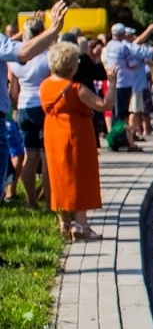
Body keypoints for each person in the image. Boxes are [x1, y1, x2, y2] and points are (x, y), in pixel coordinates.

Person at [41, 40, 111, 239]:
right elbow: (104, 105)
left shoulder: (45, 85)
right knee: (80, 176)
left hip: (53, 133)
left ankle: (64, 223)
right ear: (71, 66)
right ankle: (81, 225)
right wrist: (112, 83)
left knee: (59, 177)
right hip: (76, 134)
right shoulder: (75, 88)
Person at [11, 13, 69, 210]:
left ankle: (31, 202)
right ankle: (49, 202)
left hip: (23, 107)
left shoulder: (15, 59)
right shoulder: (47, 57)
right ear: (41, 33)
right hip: (43, 107)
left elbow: (13, 91)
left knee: (30, 156)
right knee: (46, 157)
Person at [105, 22, 153, 140]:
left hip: (116, 83)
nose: (134, 37)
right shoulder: (125, 47)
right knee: (131, 112)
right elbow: (151, 53)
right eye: (130, 34)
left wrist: (149, 31)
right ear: (124, 35)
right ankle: (130, 136)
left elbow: (137, 42)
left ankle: (127, 136)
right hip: (130, 83)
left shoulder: (110, 45)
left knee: (120, 112)